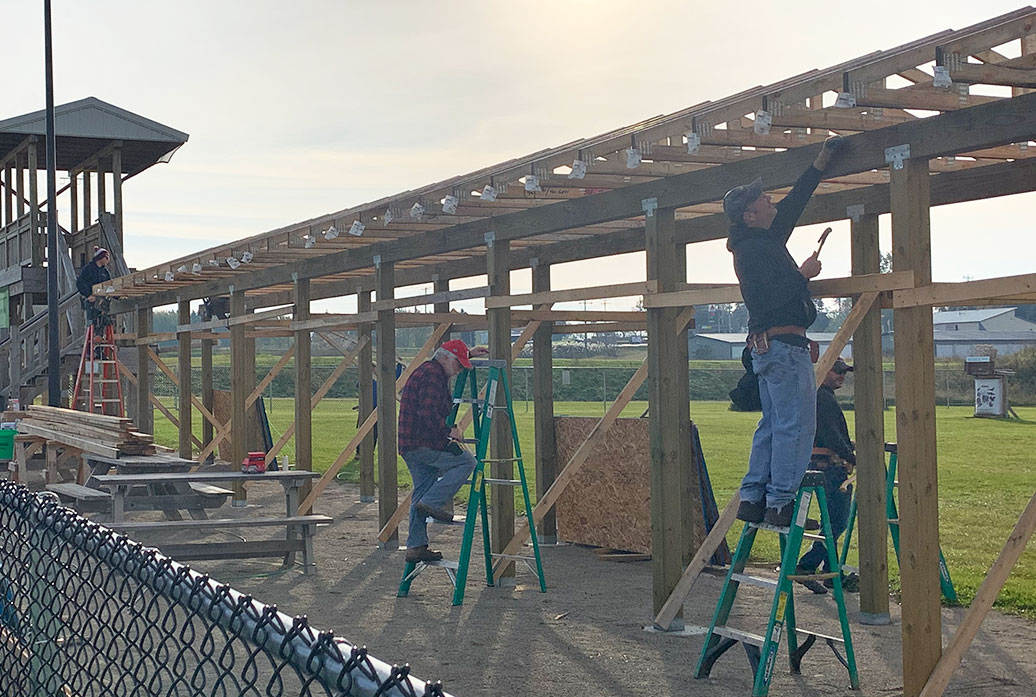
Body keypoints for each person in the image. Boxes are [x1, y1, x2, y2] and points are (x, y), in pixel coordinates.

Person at [724, 135, 847, 527]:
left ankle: (753, 497)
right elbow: (768, 298)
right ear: (750, 215)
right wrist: (802, 275)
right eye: (763, 200)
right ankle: (780, 504)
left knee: (773, 424)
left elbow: (794, 203)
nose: (770, 201)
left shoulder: (760, 241)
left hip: (771, 348)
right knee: (796, 425)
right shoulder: (755, 250)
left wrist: (819, 164)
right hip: (783, 345)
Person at [397, 339, 488, 563]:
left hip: (410, 444)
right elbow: (426, 412)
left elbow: (424, 411)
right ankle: (433, 502)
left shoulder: (429, 369)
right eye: (458, 364)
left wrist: (468, 353)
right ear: (445, 358)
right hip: (424, 443)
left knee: (421, 491)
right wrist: (449, 431)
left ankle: (416, 545)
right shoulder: (434, 376)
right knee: (467, 462)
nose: (459, 370)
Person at [796, 358, 859, 594]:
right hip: (829, 467)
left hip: (819, 463)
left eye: (844, 372)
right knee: (838, 522)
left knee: (830, 521)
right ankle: (807, 566)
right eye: (837, 371)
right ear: (824, 372)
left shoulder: (818, 396)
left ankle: (832, 572)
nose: (841, 376)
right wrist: (852, 457)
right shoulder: (823, 398)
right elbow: (831, 436)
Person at [76, 247, 112, 331]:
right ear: (100, 258)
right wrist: (88, 295)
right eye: (106, 257)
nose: (108, 260)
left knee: (104, 321)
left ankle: (100, 337)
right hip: (91, 301)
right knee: (92, 322)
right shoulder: (88, 269)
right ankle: (92, 338)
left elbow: (109, 285)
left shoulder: (105, 272)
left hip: (102, 301)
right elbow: (80, 283)